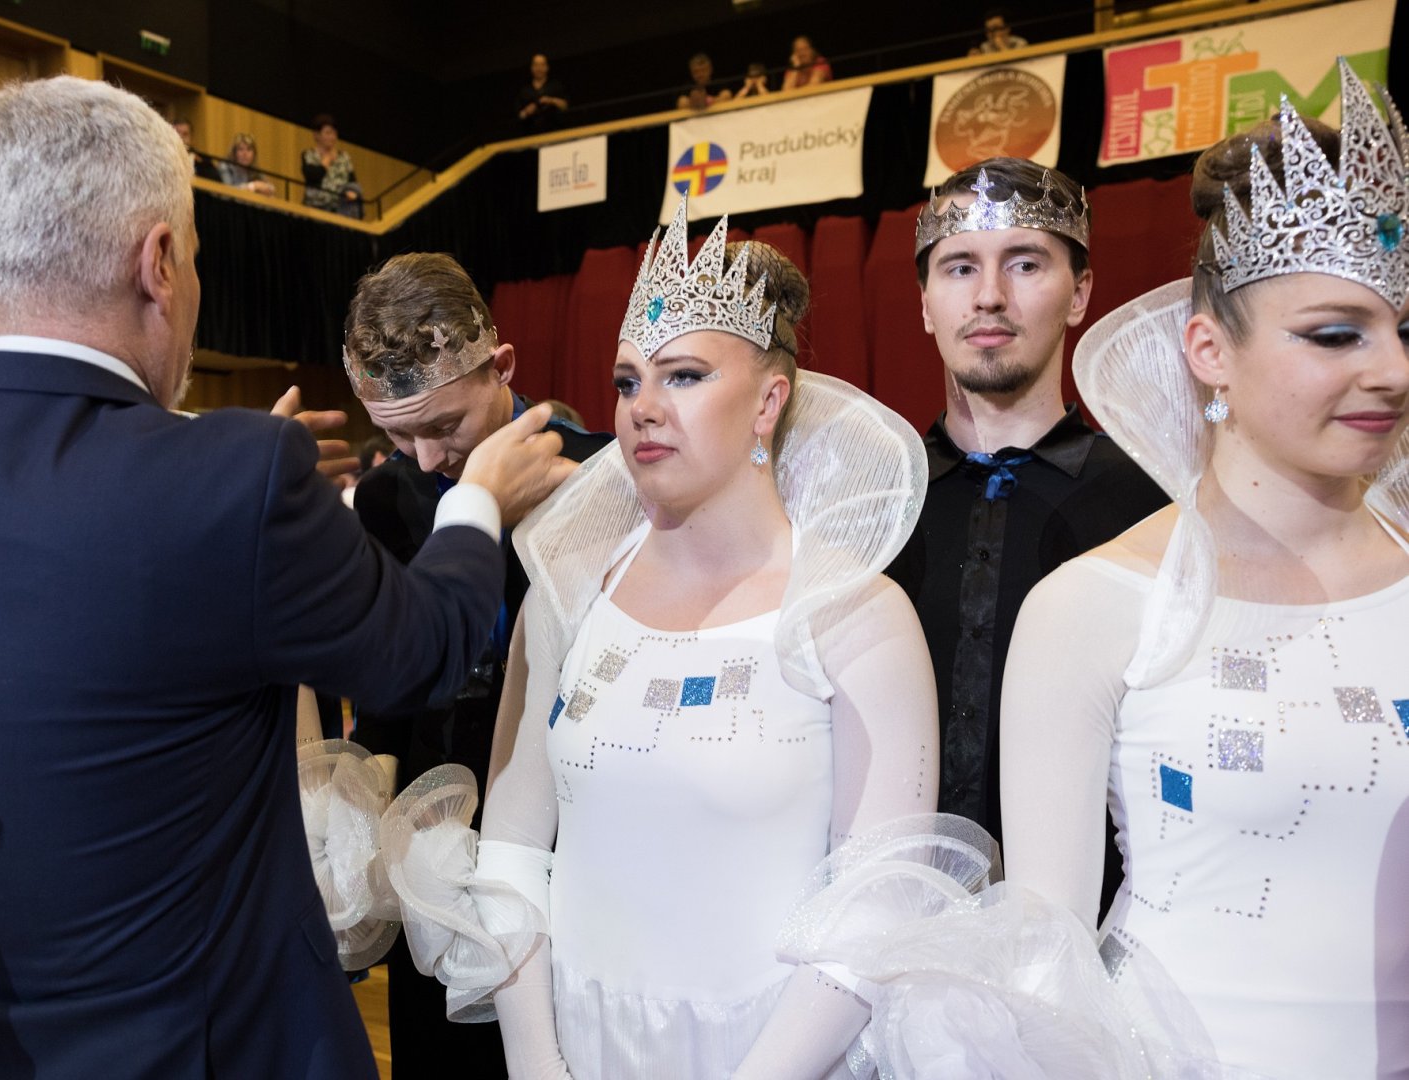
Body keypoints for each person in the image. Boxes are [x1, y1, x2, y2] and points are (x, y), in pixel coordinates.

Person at [0, 74, 574, 1080]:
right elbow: (418, 653)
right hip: (177, 1046)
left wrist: (228, 489)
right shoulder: (227, 481)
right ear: (160, 262)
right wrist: (476, 499)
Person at [380, 198, 943, 1079]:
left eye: (682, 376)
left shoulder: (855, 614)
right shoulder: (568, 593)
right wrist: (538, 1065)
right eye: (627, 381)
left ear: (769, 401)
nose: (643, 406)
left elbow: (875, 910)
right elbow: (515, 851)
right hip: (582, 1048)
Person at [1002, 62, 1409, 1078]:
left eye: (1405, 331)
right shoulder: (1091, 608)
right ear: (1208, 350)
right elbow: (1046, 969)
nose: (1392, 370)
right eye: (1334, 335)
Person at [344, 253, 610, 1078]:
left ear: (503, 367)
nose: (425, 458)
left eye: (444, 425)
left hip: (576, 838)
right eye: (398, 434)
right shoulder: (384, 501)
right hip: (435, 853)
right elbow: (385, 700)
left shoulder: (601, 472)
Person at [885, 158, 1168, 908]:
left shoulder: (1154, 505)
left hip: (1099, 933)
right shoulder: (872, 503)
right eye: (959, 268)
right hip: (887, 934)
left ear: (1080, 294)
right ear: (924, 304)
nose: (989, 296)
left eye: (1025, 263)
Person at [301, 114, 362, 218]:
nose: (332, 137)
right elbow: (311, 178)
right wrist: (325, 163)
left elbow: (352, 181)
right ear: (316, 135)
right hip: (316, 208)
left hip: (341, 209)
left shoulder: (344, 157)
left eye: (334, 133)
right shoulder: (309, 155)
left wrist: (352, 192)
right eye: (328, 133)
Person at [515, 54, 568, 133]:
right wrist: (527, 111)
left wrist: (551, 100)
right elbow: (519, 116)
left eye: (542, 65)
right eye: (536, 65)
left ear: (547, 67)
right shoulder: (525, 91)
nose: (539, 68)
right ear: (531, 68)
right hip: (532, 134)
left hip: (556, 132)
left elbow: (565, 106)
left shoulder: (555, 86)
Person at [217, 132, 277, 197]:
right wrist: (253, 186)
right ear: (234, 153)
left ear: (254, 154)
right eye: (241, 149)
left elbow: (271, 189)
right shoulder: (225, 166)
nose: (245, 154)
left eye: (249, 149)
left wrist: (264, 188)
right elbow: (228, 191)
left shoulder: (254, 169)